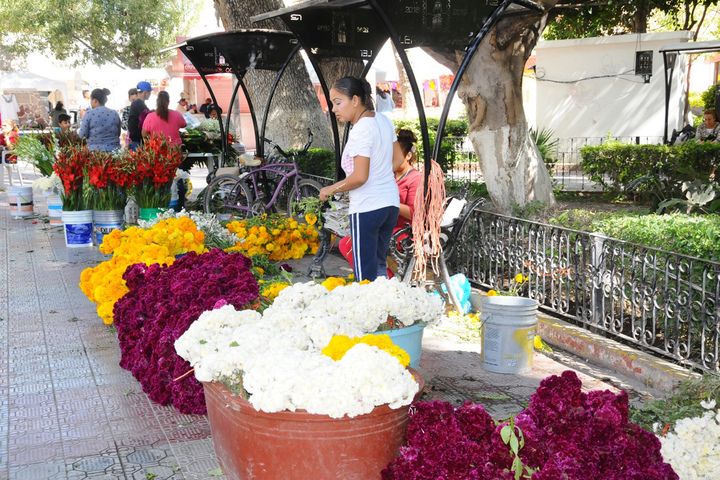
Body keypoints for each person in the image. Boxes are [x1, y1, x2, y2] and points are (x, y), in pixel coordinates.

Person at [319, 76, 404, 282]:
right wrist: (379, 174)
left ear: (355, 100)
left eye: (338, 103)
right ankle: (386, 312)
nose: (334, 109)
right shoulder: (383, 120)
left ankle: (372, 313)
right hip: (390, 205)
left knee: (364, 275)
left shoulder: (361, 129)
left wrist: (330, 189)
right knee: (379, 267)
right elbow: (399, 159)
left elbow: (359, 177)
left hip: (368, 207)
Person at [127, 81, 152, 151]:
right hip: (136, 141)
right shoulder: (138, 103)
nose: (150, 94)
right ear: (145, 92)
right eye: (149, 92)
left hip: (137, 140)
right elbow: (149, 116)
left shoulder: (138, 103)